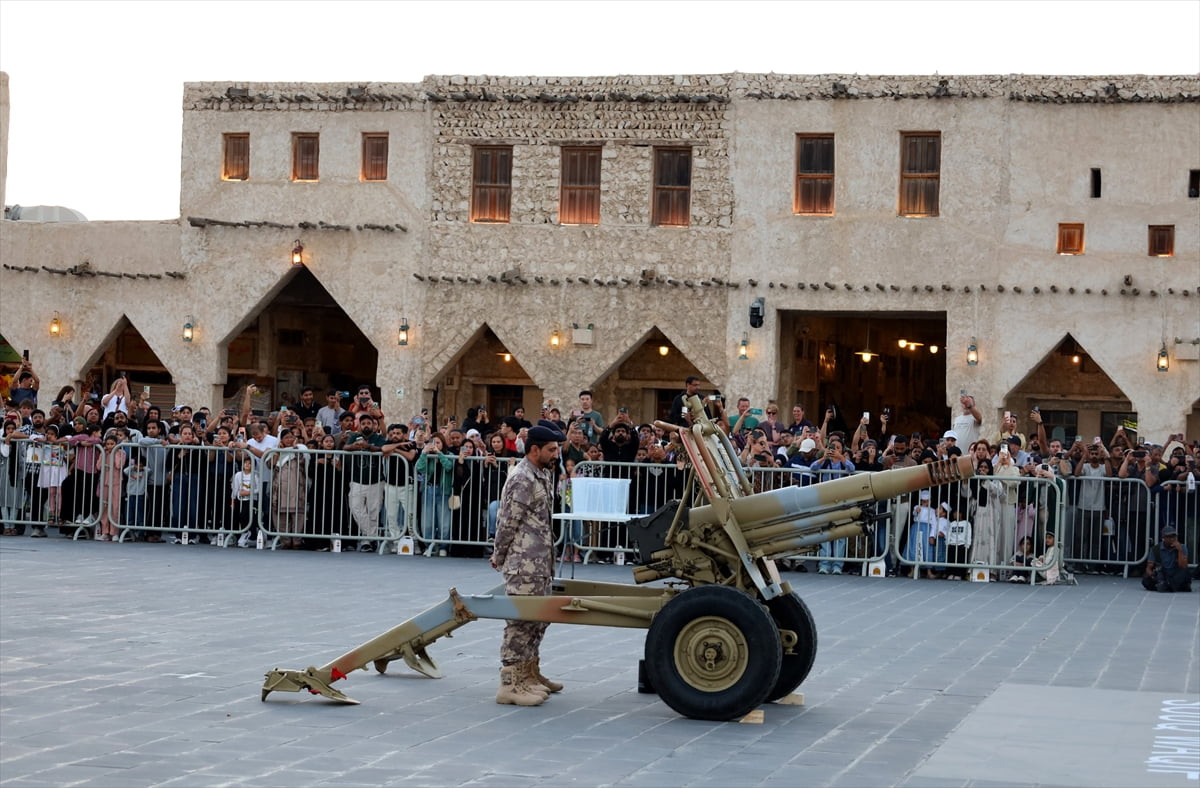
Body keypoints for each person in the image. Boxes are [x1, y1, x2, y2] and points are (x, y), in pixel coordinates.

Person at [490, 422, 565, 706]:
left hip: (540, 562)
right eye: (551, 449)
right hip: (523, 564)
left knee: (538, 618)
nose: (556, 454)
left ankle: (528, 674)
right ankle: (509, 683)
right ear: (534, 450)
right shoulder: (522, 477)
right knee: (520, 621)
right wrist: (499, 555)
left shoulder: (541, 474)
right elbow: (507, 521)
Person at [1142, 526, 1191, 593]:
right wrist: (1151, 574)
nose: (1172, 539)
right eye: (1169, 536)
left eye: (1174, 536)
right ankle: (1169, 586)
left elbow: (1183, 566)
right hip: (1164, 574)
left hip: (1176, 573)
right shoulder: (1155, 549)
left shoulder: (1182, 547)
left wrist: (1180, 551)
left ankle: (1167, 585)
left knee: (1185, 572)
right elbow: (1149, 567)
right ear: (1163, 538)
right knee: (1145, 580)